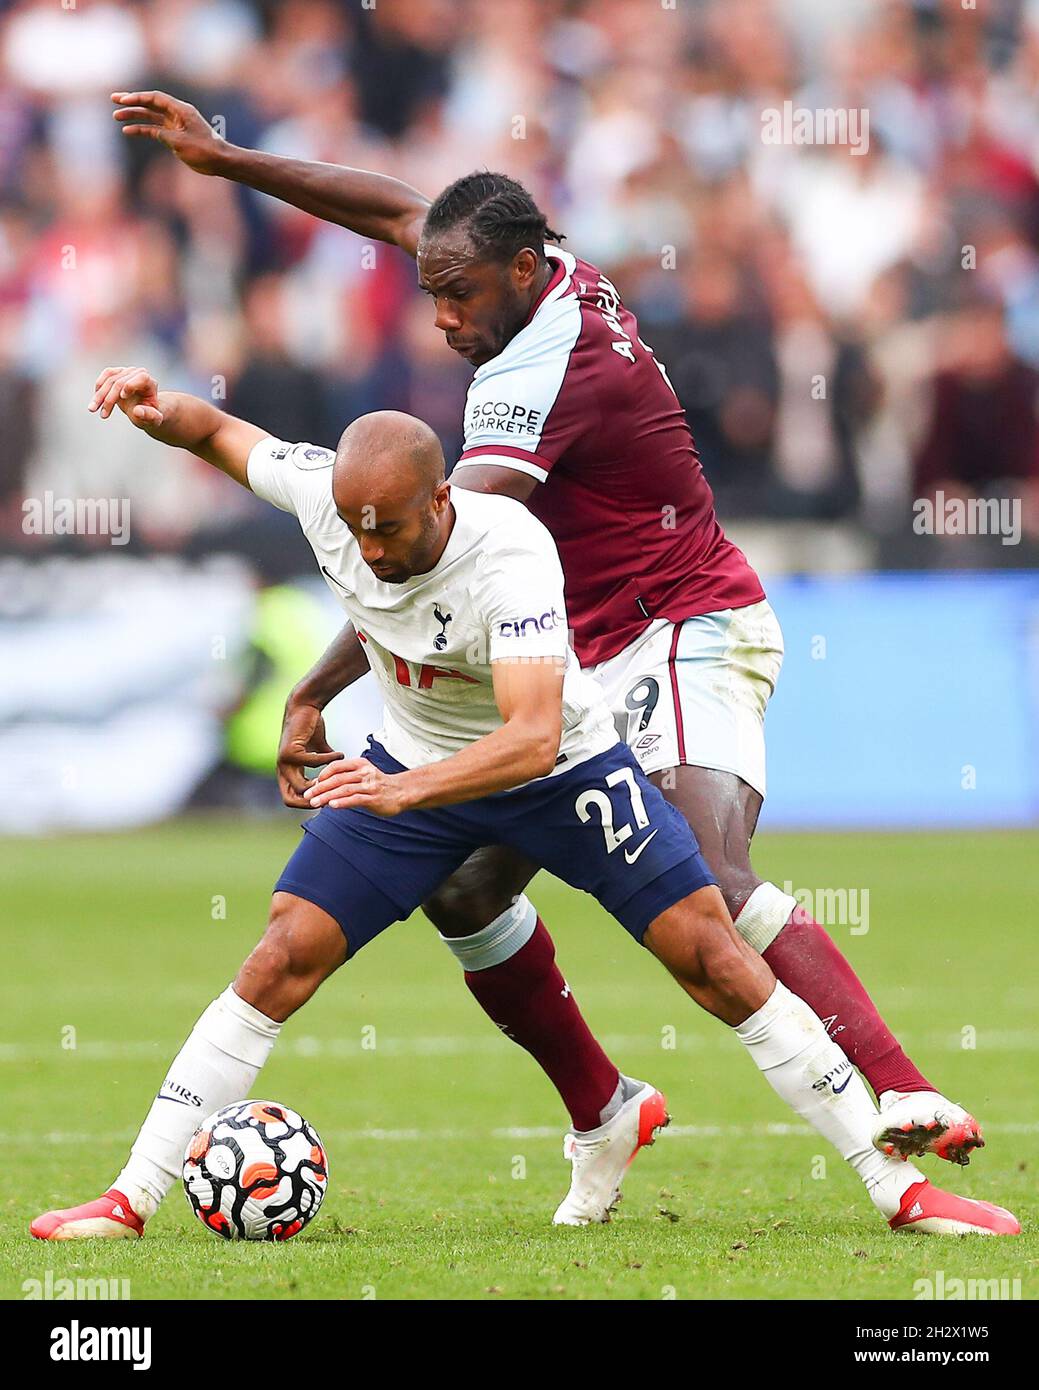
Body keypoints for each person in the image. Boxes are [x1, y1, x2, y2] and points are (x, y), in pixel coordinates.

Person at [111, 92, 983, 1190]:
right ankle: (605, 1109)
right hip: (571, 645)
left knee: (705, 869)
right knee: (466, 891)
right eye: (433, 293)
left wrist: (321, 687)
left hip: (679, 620)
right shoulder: (528, 265)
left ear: (519, 276)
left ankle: (896, 1085)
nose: (440, 318)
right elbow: (403, 216)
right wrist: (230, 160)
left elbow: (414, 558)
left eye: (457, 296)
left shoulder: (536, 379)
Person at [31, 372, 1018, 1240]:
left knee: (712, 957)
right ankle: (126, 1198)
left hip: (561, 772)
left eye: (393, 529)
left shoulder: (510, 554)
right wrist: (159, 410)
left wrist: (396, 789)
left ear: (442, 500)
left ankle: (897, 1187)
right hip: (411, 766)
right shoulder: (336, 501)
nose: (370, 552)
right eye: (357, 530)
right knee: (281, 952)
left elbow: (531, 734)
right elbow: (220, 434)